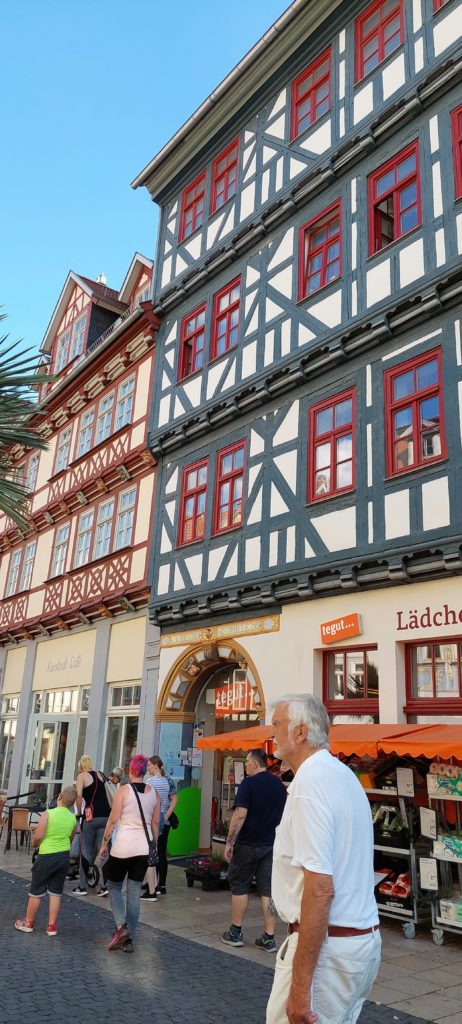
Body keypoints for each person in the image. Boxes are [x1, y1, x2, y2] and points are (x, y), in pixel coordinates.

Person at [267, 694, 381, 1024]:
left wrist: (301, 989)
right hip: (357, 942)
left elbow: (319, 889)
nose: (272, 732)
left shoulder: (310, 784)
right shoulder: (342, 775)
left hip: (330, 948)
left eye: (277, 724)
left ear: (300, 731)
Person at [222, 748, 286, 953]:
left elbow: (240, 814)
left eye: (247, 762)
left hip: (247, 844)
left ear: (256, 764)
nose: (246, 765)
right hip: (270, 845)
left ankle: (235, 932)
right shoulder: (278, 784)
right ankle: (269, 937)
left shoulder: (248, 784)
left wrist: (229, 842)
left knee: (240, 886)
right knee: (268, 890)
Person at [98, 754, 160, 952]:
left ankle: (121, 927)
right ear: (144, 771)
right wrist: (154, 844)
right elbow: (155, 823)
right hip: (143, 849)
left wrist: (104, 843)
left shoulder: (123, 791)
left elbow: (113, 819)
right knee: (134, 892)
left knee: (114, 886)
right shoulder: (154, 793)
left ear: (130, 770)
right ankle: (129, 938)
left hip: (123, 847)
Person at [15, 786, 77, 936]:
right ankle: (52, 926)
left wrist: (35, 843)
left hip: (47, 855)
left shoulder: (48, 814)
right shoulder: (73, 818)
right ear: (73, 803)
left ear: (59, 797)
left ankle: (28, 922)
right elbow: (70, 838)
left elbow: (39, 836)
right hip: (63, 856)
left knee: (36, 891)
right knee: (56, 892)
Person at [73, 754, 111, 896]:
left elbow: (78, 796)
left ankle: (82, 887)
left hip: (91, 817)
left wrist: (78, 813)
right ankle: (105, 886)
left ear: (81, 765)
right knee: (103, 850)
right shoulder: (100, 774)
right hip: (106, 816)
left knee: (86, 850)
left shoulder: (82, 776)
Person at [143, 755, 178, 898]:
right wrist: (166, 815)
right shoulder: (166, 781)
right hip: (163, 819)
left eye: (149, 765)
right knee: (160, 852)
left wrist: (164, 816)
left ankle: (157, 884)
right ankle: (157, 884)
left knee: (156, 851)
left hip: (156, 819)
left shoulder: (153, 781)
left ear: (156, 766)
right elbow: (173, 799)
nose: (147, 768)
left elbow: (147, 801)